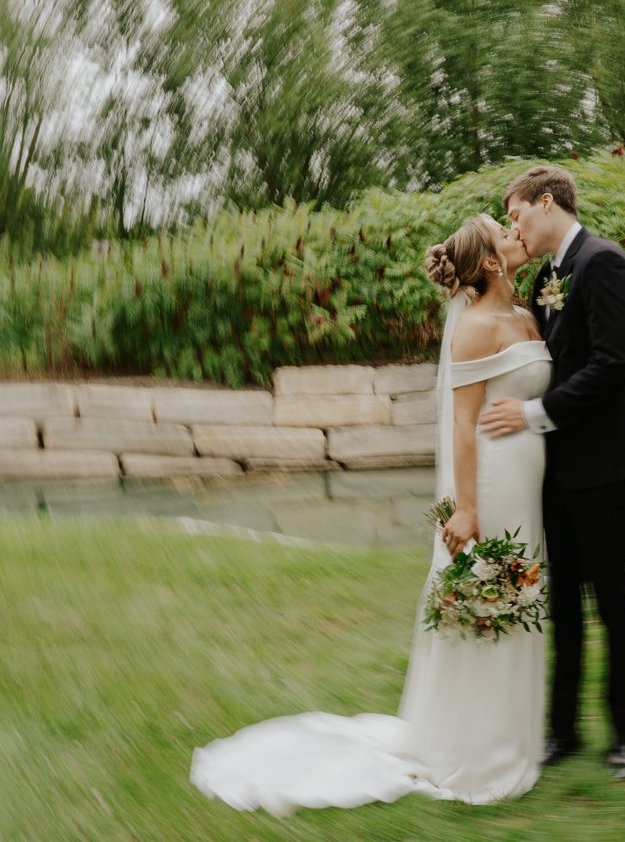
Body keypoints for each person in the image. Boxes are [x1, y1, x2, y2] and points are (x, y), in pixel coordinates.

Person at [191, 215, 550, 813]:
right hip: (491, 481)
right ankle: (474, 746)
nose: (516, 232)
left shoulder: (527, 316)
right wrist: (466, 508)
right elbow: (463, 424)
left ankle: (516, 735)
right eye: (503, 231)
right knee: (491, 599)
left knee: (523, 596)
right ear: (490, 261)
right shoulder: (475, 328)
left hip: (527, 483)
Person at [478, 165, 625, 780]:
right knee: (561, 600)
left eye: (516, 215)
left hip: (606, 463)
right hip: (555, 466)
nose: (514, 227)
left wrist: (531, 414)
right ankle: (562, 731)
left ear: (546, 202)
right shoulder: (547, 277)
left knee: (611, 596)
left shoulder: (603, 262)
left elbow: (612, 366)